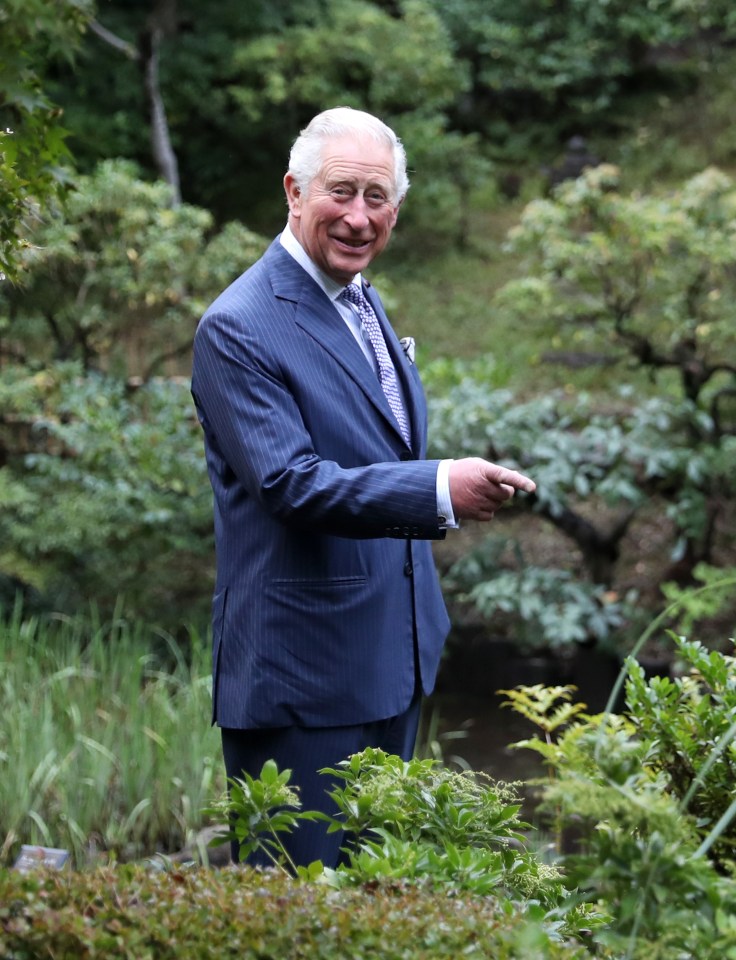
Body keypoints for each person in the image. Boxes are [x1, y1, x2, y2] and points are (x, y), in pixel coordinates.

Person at [191, 106, 535, 869]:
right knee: (303, 918)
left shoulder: (363, 299)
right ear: (293, 191)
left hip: (391, 658)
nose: (357, 217)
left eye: (377, 198)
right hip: (302, 679)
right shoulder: (238, 326)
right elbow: (291, 484)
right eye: (341, 192)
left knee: (386, 910)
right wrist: (439, 489)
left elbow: (369, 445)